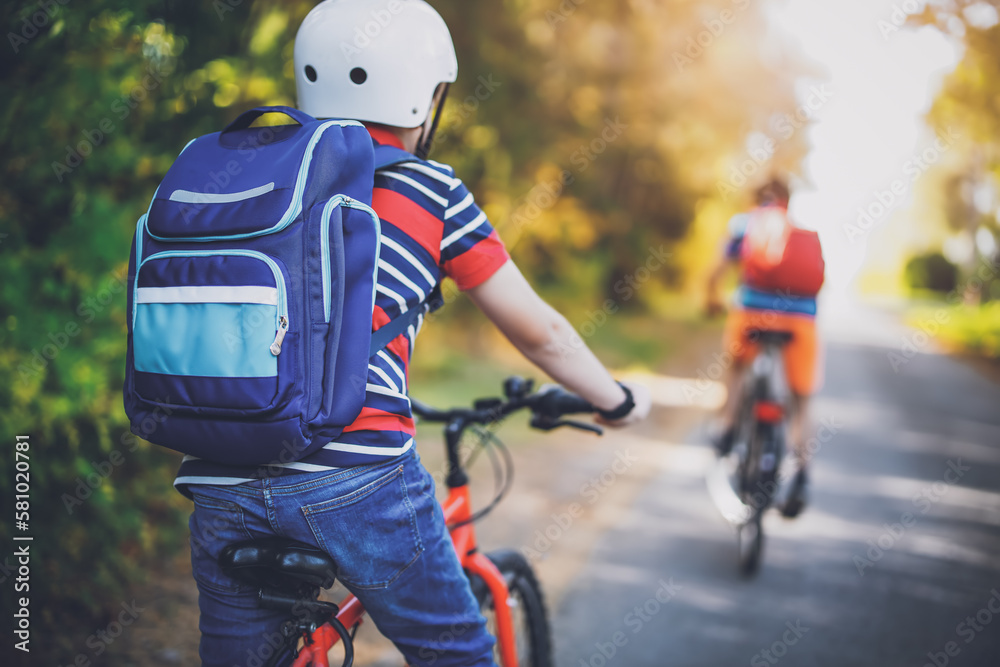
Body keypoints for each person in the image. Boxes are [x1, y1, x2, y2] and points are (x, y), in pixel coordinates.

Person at [177, 1, 651, 665]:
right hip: (355, 476)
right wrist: (617, 399)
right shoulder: (430, 188)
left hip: (216, 472)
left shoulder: (247, 174)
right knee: (455, 650)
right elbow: (539, 330)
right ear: (421, 98)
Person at [705, 177, 822, 517]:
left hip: (752, 312)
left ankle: (726, 429)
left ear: (756, 198)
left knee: (737, 367)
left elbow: (717, 270)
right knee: (801, 400)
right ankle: (802, 474)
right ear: (787, 200)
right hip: (801, 318)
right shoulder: (801, 229)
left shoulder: (744, 223)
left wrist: (711, 298)